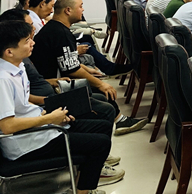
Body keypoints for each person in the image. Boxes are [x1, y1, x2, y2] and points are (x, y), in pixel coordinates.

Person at [0, 19, 122, 194]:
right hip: (27, 142)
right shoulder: (3, 79)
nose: (33, 42)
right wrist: (50, 119)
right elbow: (7, 126)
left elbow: (23, 104)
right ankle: (82, 191)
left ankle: (83, 180)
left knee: (102, 125)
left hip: (40, 125)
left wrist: (49, 114)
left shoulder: (17, 67)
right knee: (100, 143)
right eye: (27, 41)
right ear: (9, 51)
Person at [30, 0, 146, 136]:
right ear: (68, 10)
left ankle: (119, 120)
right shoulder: (60, 33)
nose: (83, 9)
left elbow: (67, 62)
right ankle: (116, 123)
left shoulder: (56, 29)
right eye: (80, 6)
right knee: (99, 89)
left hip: (55, 81)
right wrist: (101, 84)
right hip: (54, 88)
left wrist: (88, 71)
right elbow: (71, 70)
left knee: (95, 85)